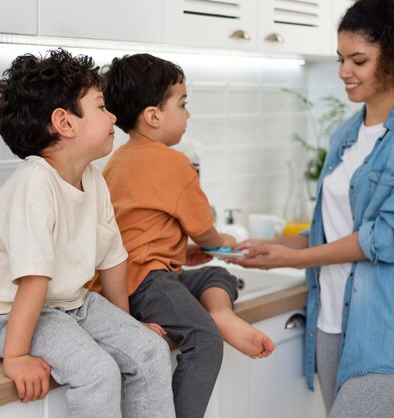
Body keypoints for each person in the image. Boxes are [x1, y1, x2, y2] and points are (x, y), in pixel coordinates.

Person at [230, 1, 394, 417]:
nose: (343, 72)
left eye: (359, 60)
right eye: (341, 59)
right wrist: (268, 245)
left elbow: (386, 239)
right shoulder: (345, 136)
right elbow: (329, 230)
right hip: (331, 323)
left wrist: (296, 257)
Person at [0, 48, 175, 418]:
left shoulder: (92, 178)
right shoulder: (33, 185)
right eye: (102, 106)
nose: (114, 116)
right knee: (97, 371)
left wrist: (127, 328)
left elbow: (113, 260)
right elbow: (32, 280)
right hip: (6, 315)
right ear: (65, 123)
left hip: (68, 305)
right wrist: (17, 356)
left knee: (151, 351)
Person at [86, 53, 275, 418]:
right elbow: (205, 231)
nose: (188, 114)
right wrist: (225, 242)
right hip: (148, 281)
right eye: (183, 103)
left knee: (215, 275)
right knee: (204, 341)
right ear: (153, 115)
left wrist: (182, 252)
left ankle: (218, 313)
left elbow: (136, 229)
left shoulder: (115, 162)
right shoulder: (174, 163)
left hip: (128, 279)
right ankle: (214, 319)